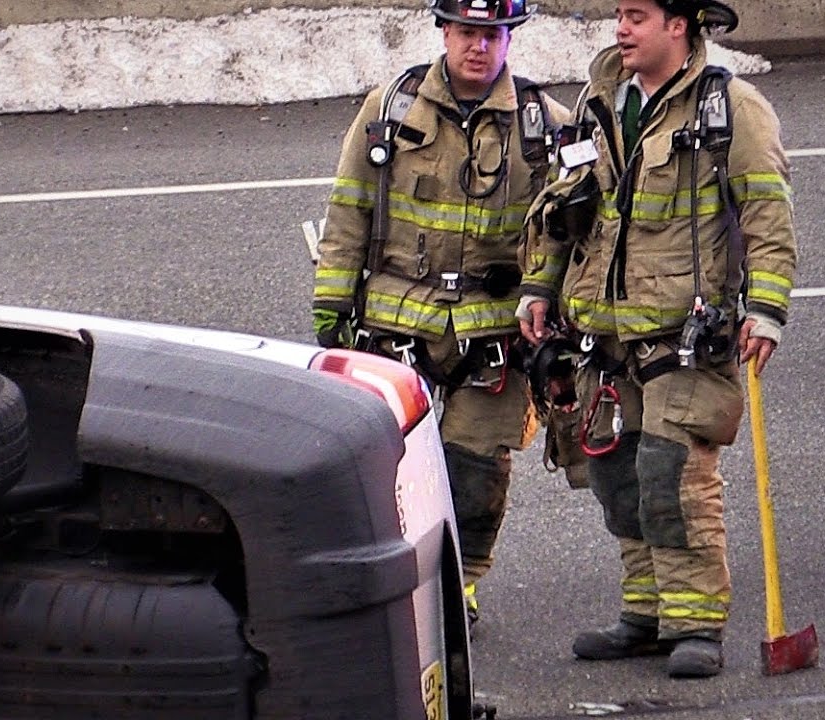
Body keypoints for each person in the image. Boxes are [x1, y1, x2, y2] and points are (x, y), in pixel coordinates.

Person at [515, 0, 797, 678]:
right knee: (618, 478)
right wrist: (538, 287)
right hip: (606, 337)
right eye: (618, 13)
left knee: (675, 479)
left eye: (637, 15)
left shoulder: (732, 108)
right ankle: (645, 615)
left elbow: (766, 209)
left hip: (684, 336)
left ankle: (695, 623)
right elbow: (569, 205)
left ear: (679, 26)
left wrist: (767, 307)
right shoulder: (599, 103)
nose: (621, 28)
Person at [310, 0, 571, 631]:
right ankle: (400, 575)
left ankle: (462, 583)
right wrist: (331, 310)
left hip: (494, 334)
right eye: (467, 33)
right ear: (444, 33)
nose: (479, 47)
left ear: (508, 39)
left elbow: (569, 233)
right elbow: (348, 212)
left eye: (492, 35)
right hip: (398, 325)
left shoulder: (546, 123)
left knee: (477, 469)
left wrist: (551, 304)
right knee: (396, 465)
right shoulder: (389, 110)